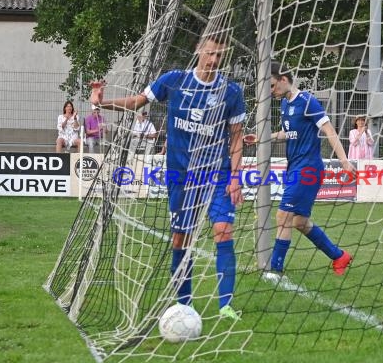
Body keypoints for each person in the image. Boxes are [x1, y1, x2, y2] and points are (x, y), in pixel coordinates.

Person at [89, 32, 245, 321]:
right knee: (180, 240)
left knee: (223, 231)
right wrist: (102, 103)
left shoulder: (231, 92)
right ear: (199, 50)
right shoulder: (174, 80)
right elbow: (138, 102)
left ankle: (226, 305)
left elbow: (236, 138)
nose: (213, 60)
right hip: (180, 176)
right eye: (210, 53)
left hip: (216, 174)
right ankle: (184, 305)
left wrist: (236, 177)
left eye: (219, 56)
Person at [244, 61, 354, 276]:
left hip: (308, 168)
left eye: (273, 86)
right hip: (295, 167)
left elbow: (329, 130)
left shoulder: (307, 101)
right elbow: (288, 133)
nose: (271, 91)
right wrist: (261, 138)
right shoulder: (285, 104)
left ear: (284, 80)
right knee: (299, 222)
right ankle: (339, 256)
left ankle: (274, 271)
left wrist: (344, 161)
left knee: (283, 216)